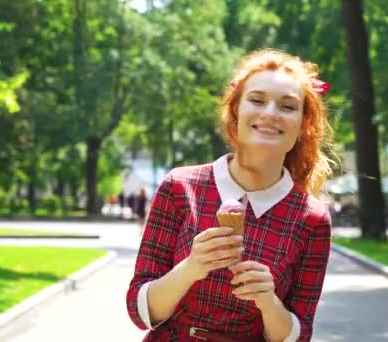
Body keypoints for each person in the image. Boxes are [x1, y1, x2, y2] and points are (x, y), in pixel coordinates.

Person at [126, 49, 334, 341]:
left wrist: (268, 301)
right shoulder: (180, 186)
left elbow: (299, 335)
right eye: (257, 100)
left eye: (287, 107)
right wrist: (192, 267)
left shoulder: (312, 219)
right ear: (236, 111)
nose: (270, 113)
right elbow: (140, 311)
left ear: (303, 125)